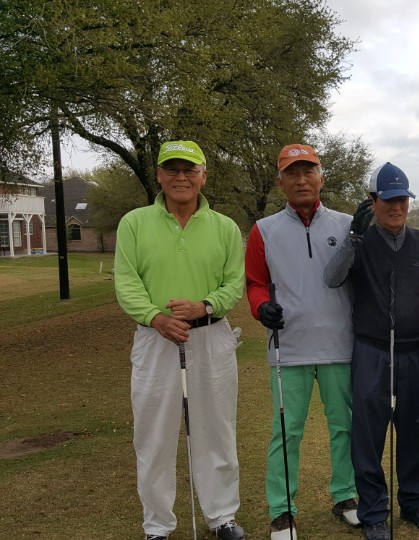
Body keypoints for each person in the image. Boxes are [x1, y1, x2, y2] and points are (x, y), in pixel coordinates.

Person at [115, 140, 246, 540]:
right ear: (158, 175)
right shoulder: (134, 223)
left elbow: (233, 284)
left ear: (204, 176)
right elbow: (127, 282)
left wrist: (205, 305)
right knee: (154, 434)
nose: (181, 177)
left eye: (190, 170)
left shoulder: (225, 227)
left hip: (212, 338)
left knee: (216, 431)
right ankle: (157, 525)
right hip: (156, 340)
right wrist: (156, 318)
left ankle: (221, 515)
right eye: (172, 169)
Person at [244, 144, 360, 540]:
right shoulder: (264, 230)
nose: (301, 179)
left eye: (308, 171)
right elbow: (256, 283)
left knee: (344, 426)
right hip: (288, 347)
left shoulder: (347, 224)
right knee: (286, 431)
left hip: (339, 346)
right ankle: (282, 510)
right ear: (280, 182)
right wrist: (261, 308)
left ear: (321, 178)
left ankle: (345, 494)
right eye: (292, 173)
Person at [324, 162, 419, 540]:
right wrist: (354, 238)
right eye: (388, 200)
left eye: (402, 200)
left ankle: (414, 502)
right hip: (371, 350)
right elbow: (332, 278)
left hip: (414, 351)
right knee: (368, 434)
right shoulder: (361, 240)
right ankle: (374, 511)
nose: (397, 207)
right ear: (372, 201)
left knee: (415, 431)